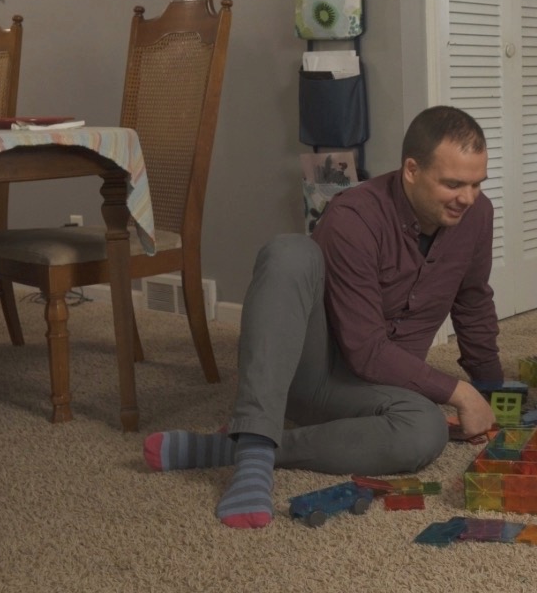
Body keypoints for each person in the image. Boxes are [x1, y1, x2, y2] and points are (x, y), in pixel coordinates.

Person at [144, 106, 504, 528]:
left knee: (426, 431)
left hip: (381, 390)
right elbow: (365, 350)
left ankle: (232, 448)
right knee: (290, 252)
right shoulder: (353, 217)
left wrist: (491, 391)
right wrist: (460, 393)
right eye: (453, 184)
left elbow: (473, 301)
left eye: (477, 183)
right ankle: (255, 451)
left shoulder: (477, 216)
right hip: (314, 374)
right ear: (411, 170)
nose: (468, 197)